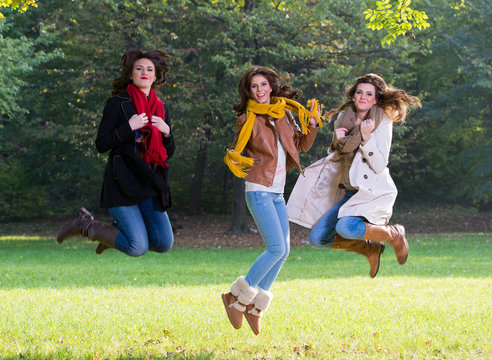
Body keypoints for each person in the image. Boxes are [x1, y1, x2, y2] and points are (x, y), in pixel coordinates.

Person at [221, 66, 323, 335]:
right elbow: (238, 147)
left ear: (271, 87)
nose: (260, 90)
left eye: (263, 85)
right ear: (249, 91)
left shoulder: (284, 114)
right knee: (276, 249)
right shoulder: (248, 119)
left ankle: (255, 307)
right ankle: (234, 296)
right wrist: (234, 156)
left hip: (277, 192)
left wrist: (311, 126)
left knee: (284, 252)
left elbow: (300, 145)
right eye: (254, 87)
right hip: (259, 189)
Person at [288, 73, 421, 277]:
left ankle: (394, 234)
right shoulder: (344, 118)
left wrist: (366, 140)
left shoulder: (382, 121)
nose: (363, 97)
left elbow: (379, 164)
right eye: (359, 92)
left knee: (346, 226)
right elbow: (339, 155)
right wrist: (335, 141)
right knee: (317, 238)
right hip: (348, 191)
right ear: (353, 95)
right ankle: (370, 248)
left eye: (369, 94)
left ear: (376, 98)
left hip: (371, 191)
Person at [56, 49, 176, 257]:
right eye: (139, 68)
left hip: (150, 183)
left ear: (156, 76)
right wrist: (127, 128)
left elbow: (168, 153)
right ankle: (86, 225)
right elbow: (101, 144)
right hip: (122, 182)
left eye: (150, 69)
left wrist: (167, 132)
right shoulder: (117, 104)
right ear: (131, 74)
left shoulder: (161, 108)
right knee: (136, 247)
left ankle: (111, 235)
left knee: (163, 243)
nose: (144, 72)